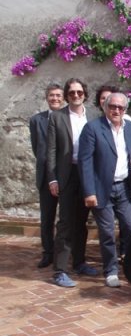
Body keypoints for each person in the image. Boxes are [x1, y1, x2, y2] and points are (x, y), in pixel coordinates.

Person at [78, 92, 131, 288]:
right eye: (112, 106)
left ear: (125, 110)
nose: (116, 110)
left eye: (120, 107)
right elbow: (85, 162)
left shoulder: (130, 127)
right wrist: (89, 191)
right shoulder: (93, 128)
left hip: (124, 187)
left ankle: (130, 265)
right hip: (101, 188)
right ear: (105, 107)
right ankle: (111, 271)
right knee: (107, 232)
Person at [47, 78, 98, 287]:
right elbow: (51, 150)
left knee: (81, 222)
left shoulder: (93, 116)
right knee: (66, 223)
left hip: (86, 174)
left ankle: (79, 262)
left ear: (84, 94)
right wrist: (52, 178)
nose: (76, 95)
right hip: (67, 175)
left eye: (79, 92)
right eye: (71, 93)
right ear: (67, 96)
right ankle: (59, 270)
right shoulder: (57, 117)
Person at [30, 82, 63, 268]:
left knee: (66, 219)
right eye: (52, 95)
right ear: (46, 98)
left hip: (66, 175)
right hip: (46, 176)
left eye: (58, 95)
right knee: (47, 218)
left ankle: (64, 252)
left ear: (63, 98)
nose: (55, 98)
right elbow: (38, 149)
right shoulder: (36, 120)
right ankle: (48, 253)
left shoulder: (68, 118)